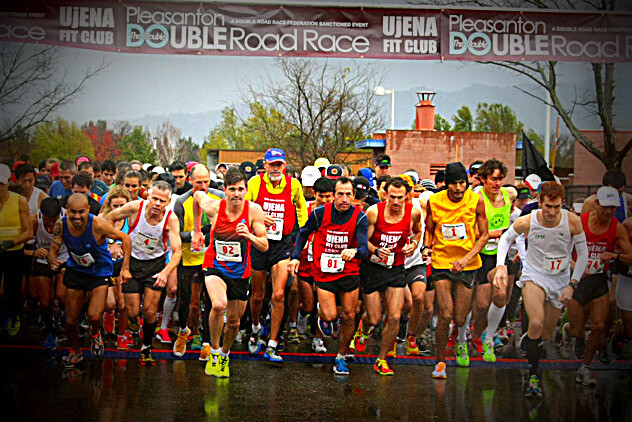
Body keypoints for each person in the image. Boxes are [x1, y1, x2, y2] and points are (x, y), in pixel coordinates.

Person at [493, 181, 589, 397]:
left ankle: (530, 340)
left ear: (562, 204)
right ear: (540, 202)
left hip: (560, 279)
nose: (552, 212)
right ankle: (533, 376)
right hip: (534, 275)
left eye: (557, 207)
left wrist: (572, 284)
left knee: (544, 334)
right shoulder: (528, 220)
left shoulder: (572, 221)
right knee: (536, 322)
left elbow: (583, 254)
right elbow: (506, 239)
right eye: (548, 206)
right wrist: (500, 266)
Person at [190, 167, 268, 377]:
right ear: (224, 190)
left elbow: (264, 245)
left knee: (234, 322)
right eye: (232, 189)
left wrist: (249, 236)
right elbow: (197, 196)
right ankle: (214, 351)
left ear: (246, 190)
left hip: (240, 272)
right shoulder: (214, 207)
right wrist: (197, 230)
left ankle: (225, 353)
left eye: (240, 189)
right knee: (218, 304)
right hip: (215, 265)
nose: (236, 194)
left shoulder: (254, 211)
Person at [288, 177, 369, 375]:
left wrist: (354, 251)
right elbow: (303, 233)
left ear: (353, 196)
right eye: (340, 194)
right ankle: (322, 315)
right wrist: (296, 257)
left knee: (349, 315)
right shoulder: (320, 213)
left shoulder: (360, 217)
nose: (344, 198)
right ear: (333, 196)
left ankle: (340, 357)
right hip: (324, 271)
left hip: (348, 271)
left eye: (348, 194)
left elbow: (364, 249)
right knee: (330, 315)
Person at [47, 194, 131, 368]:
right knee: (70, 320)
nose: (77, 216)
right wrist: (52, 258)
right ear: (67, 210)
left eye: (81, 212)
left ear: (88, 210)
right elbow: (54, 246)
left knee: (94, 316)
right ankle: (76, 352)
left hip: (99, 272)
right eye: (73, 212)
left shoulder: (98, 225)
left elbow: (126, 238)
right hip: (76, 271)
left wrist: (125, 268)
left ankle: (95, 333)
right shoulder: (61, 224)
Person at [422, 162, 489, 379]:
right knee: (446, 314)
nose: (458, 188)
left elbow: (484, 235)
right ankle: (440, 361)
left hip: (467, 263)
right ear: (446, 184)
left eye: (462, 183)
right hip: (442, 261)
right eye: (454, 183)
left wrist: (467, 258)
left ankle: (460, 339)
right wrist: (426, 247)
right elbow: (429, 229)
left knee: (460, 319)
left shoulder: (476, 200)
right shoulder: (435, 201)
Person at [105, 181, 182, 365]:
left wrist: (165, 273)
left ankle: (146, 347)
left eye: (162, 201)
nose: (157, 204)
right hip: (131, 263)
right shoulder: (134, 208)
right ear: (148, 195)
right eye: (154, 199)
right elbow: (108, 218)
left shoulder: (170, 219)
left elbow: (177, 251)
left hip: (155, 266)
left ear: (168, 202)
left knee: (149, 311)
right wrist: (112, 241)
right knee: (132, 311)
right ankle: (134, 325)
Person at [245, 148, 307, 363]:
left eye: (279, 164)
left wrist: (302, 232)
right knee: (258, 295)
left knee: (279, 294)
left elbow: (301, 207)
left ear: (284, 165)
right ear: (265, 165)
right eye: (271, 164)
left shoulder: (293, 185)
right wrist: (259, 219)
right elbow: (246, 208)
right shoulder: (255, 183)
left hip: (282, 244)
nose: (275, 168)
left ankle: (272, 343)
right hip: (260, 243)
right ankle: (255, 328)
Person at [566, 187, 632, 385]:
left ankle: (584, 368)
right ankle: (569, 331)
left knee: (599, 326)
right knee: (577, 330)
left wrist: (615, 255)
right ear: (596, 204)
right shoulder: (580, 222)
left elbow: (630, 256)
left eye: (613, 208)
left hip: (599, 280)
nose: (609, 212)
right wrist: (577, 267)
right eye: (605, 207)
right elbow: (564, 251)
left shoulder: (617, 227)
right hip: (578, 280)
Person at [356, 177, 422, 375]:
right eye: (392, 197)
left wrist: (413, 244)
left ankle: (381, 359)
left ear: (407, 196)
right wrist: (376, 250)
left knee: (394, 316)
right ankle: (363, 329)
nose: (395, 201)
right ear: (385, 195)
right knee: (375, 317)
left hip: (396, 267)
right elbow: (362, 241)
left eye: (400, 197)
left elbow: (418, 232)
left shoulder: (413, 213)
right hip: (373, 268)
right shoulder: (374, 212)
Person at [172, 165, 224, 359]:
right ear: (190, 180)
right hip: (188, 256)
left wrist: (207, 236)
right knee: (185, 299)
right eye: (199, 182)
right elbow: (175, 233)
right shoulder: (181, 201)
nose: (203, 186)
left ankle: (207, 341)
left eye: (206, 182)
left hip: (211, 257)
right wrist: (193, 236)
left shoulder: (219, 197)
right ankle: (183, 330)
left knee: (210, 300)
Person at [468, 159, 512, 362]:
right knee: (481, 304)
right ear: (483, 179)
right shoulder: (477, 198)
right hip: (480, 253)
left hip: (499, 254)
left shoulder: (507, 195)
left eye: (500, 179)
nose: (498, 183)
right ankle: (467, 335)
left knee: (501, 296)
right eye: (493, 179)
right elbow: (474, 232)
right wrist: (500, 233)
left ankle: (487, 337)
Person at [293, 177, 335, 353]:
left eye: (328, 197)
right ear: (314, 194)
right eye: (320, 196)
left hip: (325, 264)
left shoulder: (337, 212)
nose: (324, 200)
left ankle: (318, 338)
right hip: (305, 262)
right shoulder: (306, 209)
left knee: (321, 304)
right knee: (309, 305)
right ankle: (302, 315)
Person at [25, 198, 68, 349]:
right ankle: (50, 329)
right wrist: (33, 253)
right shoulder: (33, 220)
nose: (50, 225)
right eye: (47, 221)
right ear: (41, 214)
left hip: (63, 257)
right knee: (44, 302)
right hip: (42, 259)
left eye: (54, 221)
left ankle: (63, 316)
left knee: (62, 296)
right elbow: (18, 247)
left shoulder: (67, 218)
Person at [99, 186, 134, 350]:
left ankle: (121, 336)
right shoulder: (101, 219)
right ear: (109, 205)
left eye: (122, 206)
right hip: (104, 265)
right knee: (110, 304)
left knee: (122, 304)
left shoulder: (132, 220)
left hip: (123, 265)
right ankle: (109, 314)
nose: (119, 209)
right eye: (115, 206)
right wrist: (110, 246)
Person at [0, 164, 33, 335]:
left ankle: (13, 315)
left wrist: (10, 243)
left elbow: (28, 232)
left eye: (1, 184)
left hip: (14, 251)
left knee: (14, 288)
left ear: (8, 182)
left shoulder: (19, 201)